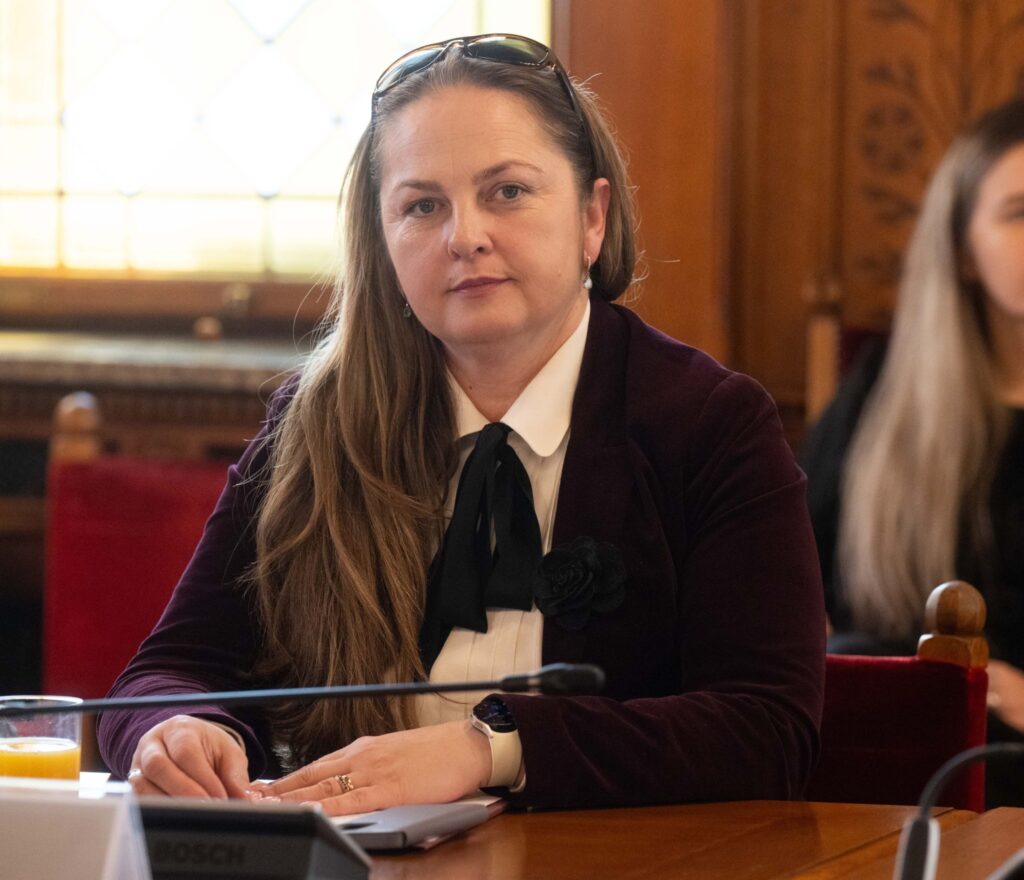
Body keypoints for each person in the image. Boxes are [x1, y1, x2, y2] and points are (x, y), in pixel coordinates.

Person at [98, 34, 825, 814]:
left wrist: (490, 748)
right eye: (423, 205)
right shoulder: (317, 423)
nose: (464, 236)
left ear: (593, 217)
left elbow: (766, 729)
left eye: (507, 191)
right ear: (383, 241)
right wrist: (178, 731)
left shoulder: (711, 425)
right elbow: (167, 671)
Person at [801, 97, 1024, 805]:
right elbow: (790, 576)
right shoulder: (885, 393)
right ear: (962, 249)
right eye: (1019, 213)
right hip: (910, 730)